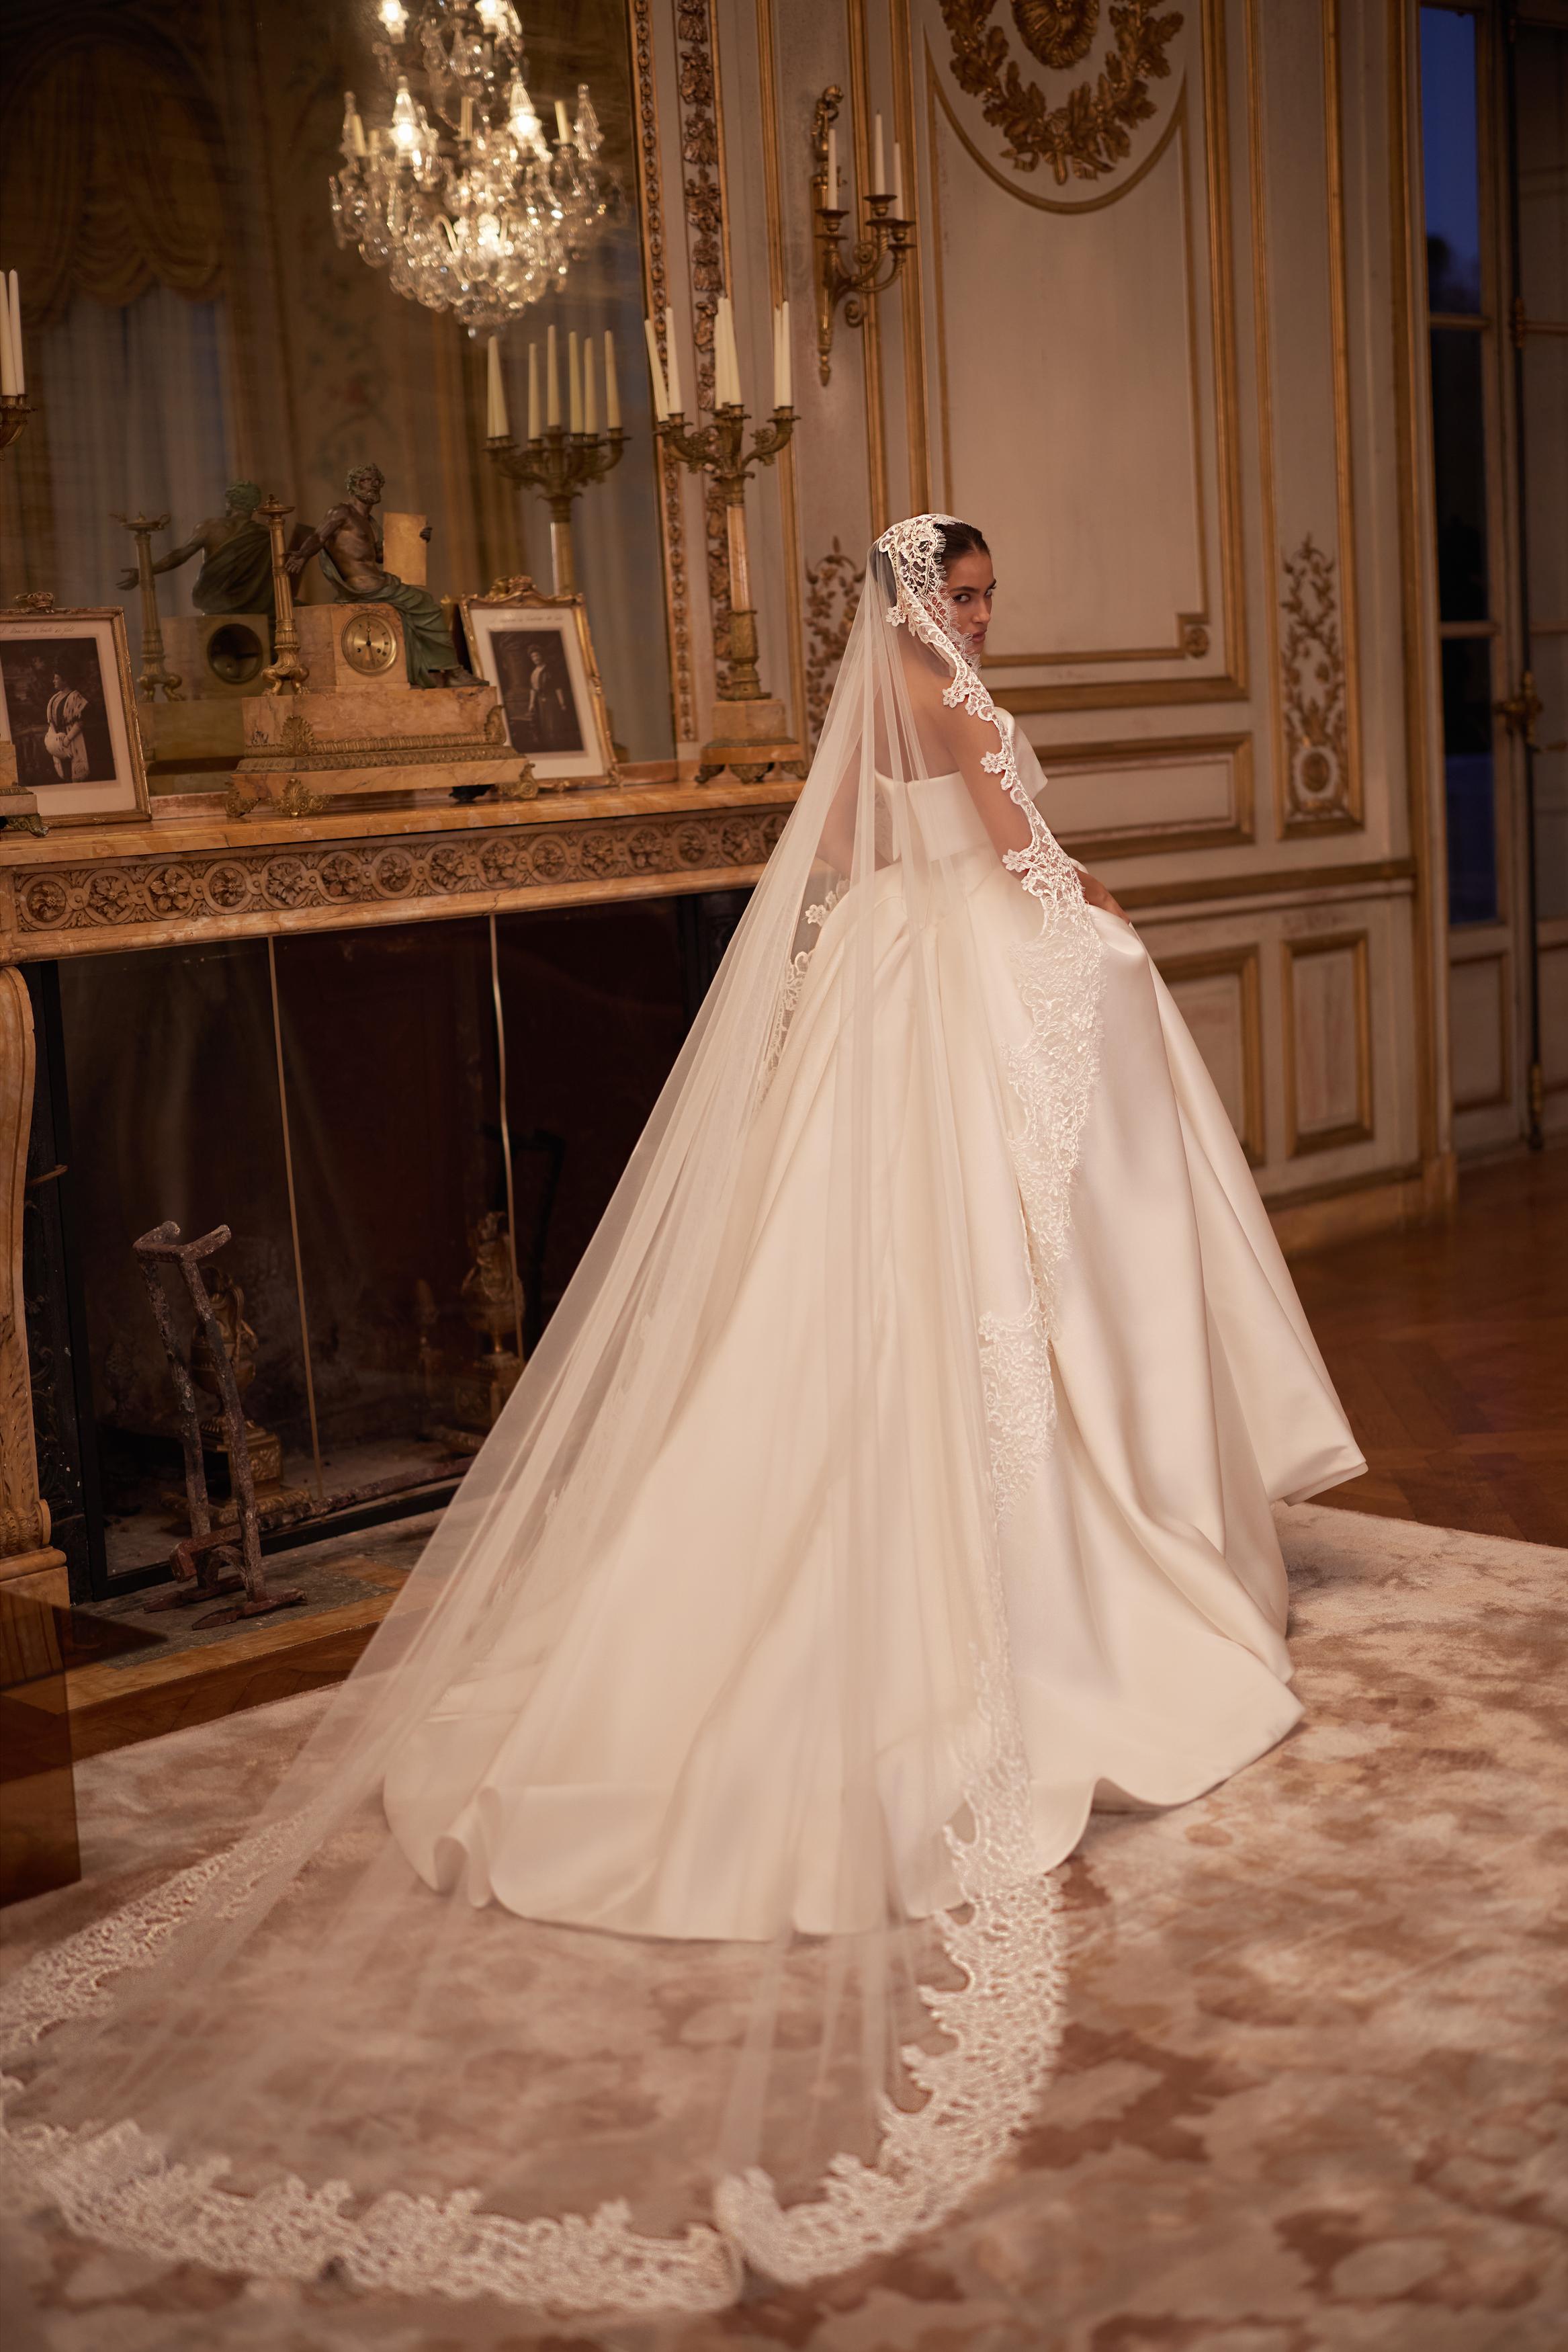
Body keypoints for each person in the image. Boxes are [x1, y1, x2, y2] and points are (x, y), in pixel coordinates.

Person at [0, 517, 1363, 2323]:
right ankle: (1068, 1535)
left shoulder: (870, 690)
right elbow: (1022, 852)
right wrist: (1092, 914)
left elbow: (857, 856)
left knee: (882, 1288)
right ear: (918, 600)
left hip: (890, 983)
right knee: (1007, 1255)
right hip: (963, 979)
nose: (974, 618)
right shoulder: (945, 696)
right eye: (959, 594)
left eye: (980, 597)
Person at [285, 464, 469, 688]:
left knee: (413, 614)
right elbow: (318, 537)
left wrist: (416, 538)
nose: (373, 485)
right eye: (366, 480)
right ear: (353, 485)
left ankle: (426, 672)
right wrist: (302, 556)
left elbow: (381, 555)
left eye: (377, 481)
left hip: (380, 583)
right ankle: (452, 671)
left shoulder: (370, 522)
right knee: (428, 606)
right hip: (364, 586)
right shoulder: (341, 512)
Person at [116, 480, 274, 616]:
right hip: (254, 607)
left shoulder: (211, 528)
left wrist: (145, 571)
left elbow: (179, 556)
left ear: (229, 503)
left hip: (216, 602)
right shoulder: (264, 535)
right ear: (255, 506)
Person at [42, 670, 90, 778]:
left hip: (72, 739)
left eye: (56, 678)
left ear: (65, 680)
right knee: (64, 773)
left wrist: (67, 740)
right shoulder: (54, 698)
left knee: (76, 771)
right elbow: (52, 722)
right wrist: (52, 739)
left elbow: (80, 722)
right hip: (58, 743)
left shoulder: (75, 697)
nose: (53, 681)